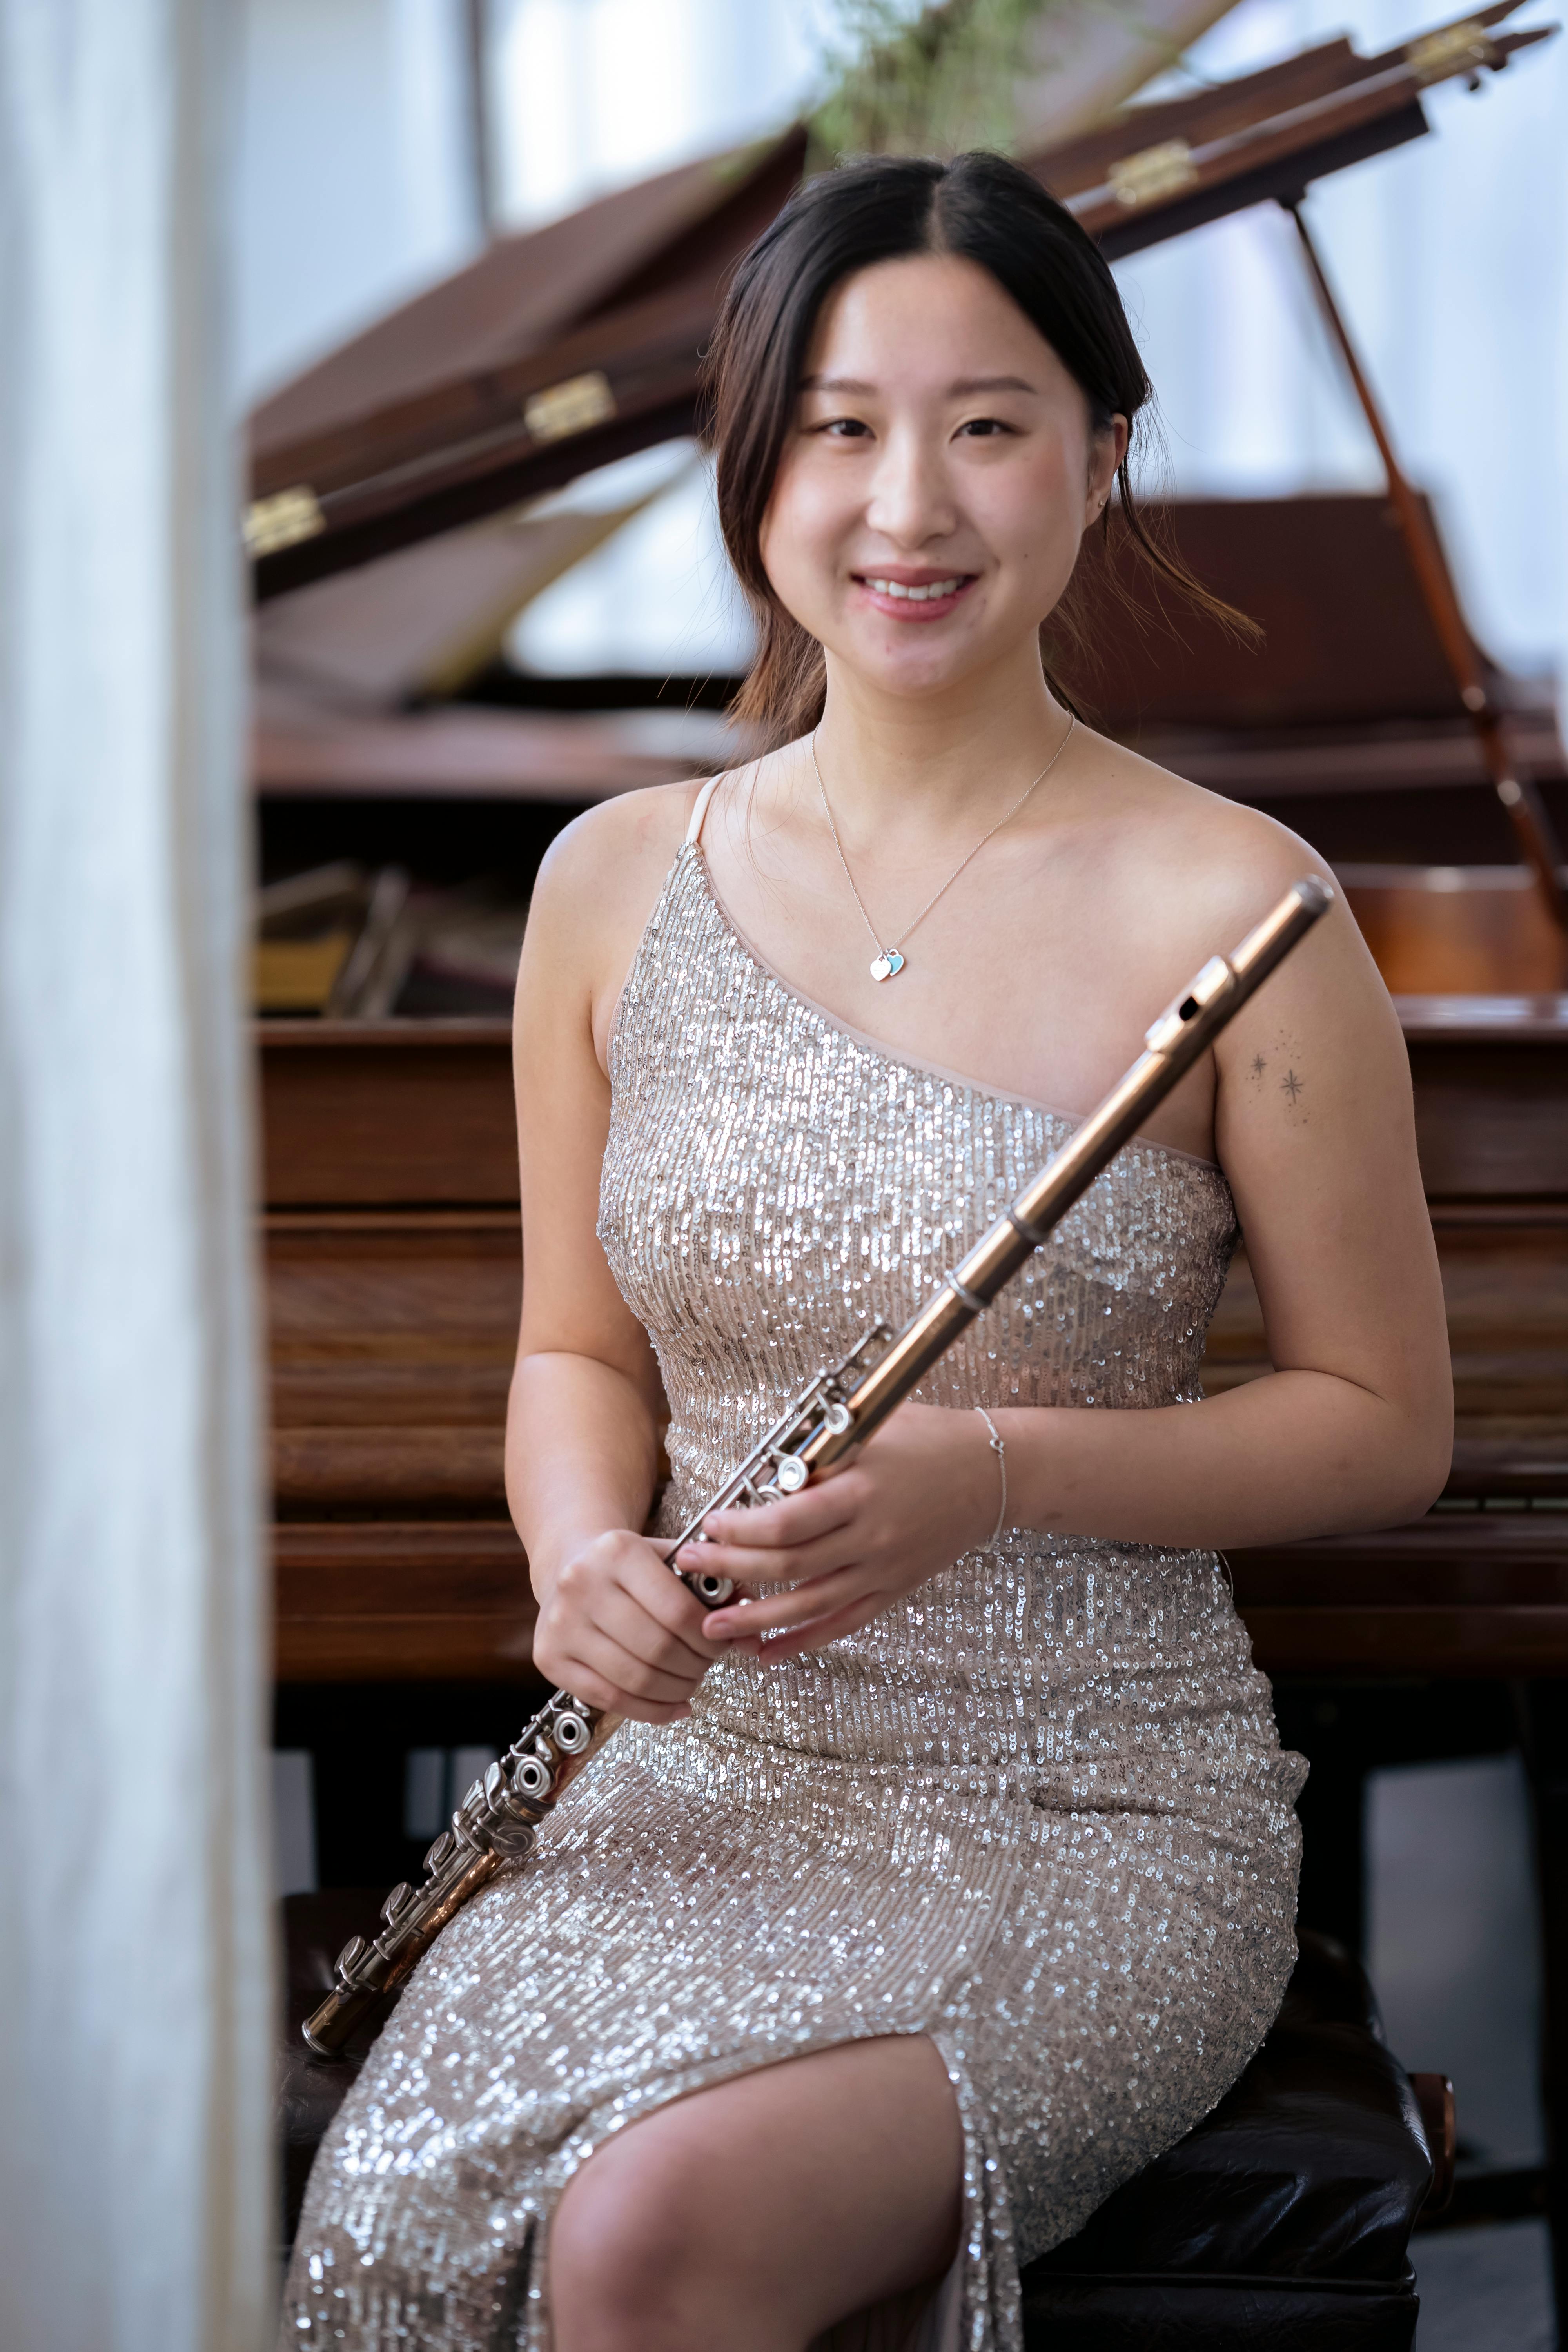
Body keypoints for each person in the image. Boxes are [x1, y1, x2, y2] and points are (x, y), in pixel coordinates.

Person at [282, 151, 1451, 2352]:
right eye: (836, 427)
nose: (906, 504)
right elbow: (574, 1357)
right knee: (410, 2213)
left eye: (987, 425)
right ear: (752, 470)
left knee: (651, 2243)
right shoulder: (613, 883)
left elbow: (1385, 1427)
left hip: (1085, 1800)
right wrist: (571, 1560)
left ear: (1102, 462)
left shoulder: (1245, 907)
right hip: (698, 1778)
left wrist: (1002, 1472)